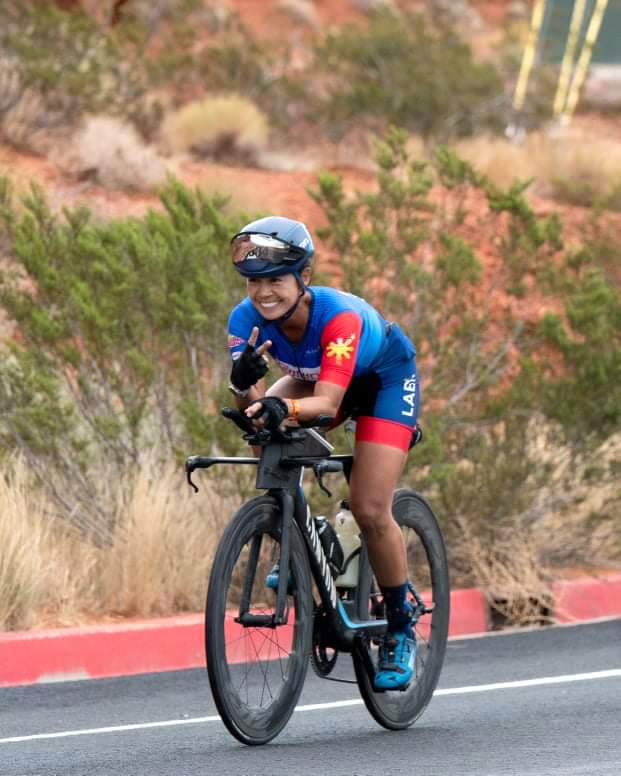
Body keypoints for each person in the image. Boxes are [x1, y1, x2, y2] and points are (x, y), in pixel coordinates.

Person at [226, 215, 420, 691]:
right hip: (318, 376)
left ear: (304, 278)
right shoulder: (243, 319)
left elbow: (329, 403)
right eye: (255, 282)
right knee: (263, 426)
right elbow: (250, 403)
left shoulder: (338, 316)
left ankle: (400, 623)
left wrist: (278, 404)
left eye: (276, 281)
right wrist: (241, 384)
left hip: (381, 381)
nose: (264, 293)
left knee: (370, 508)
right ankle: (308, 537)